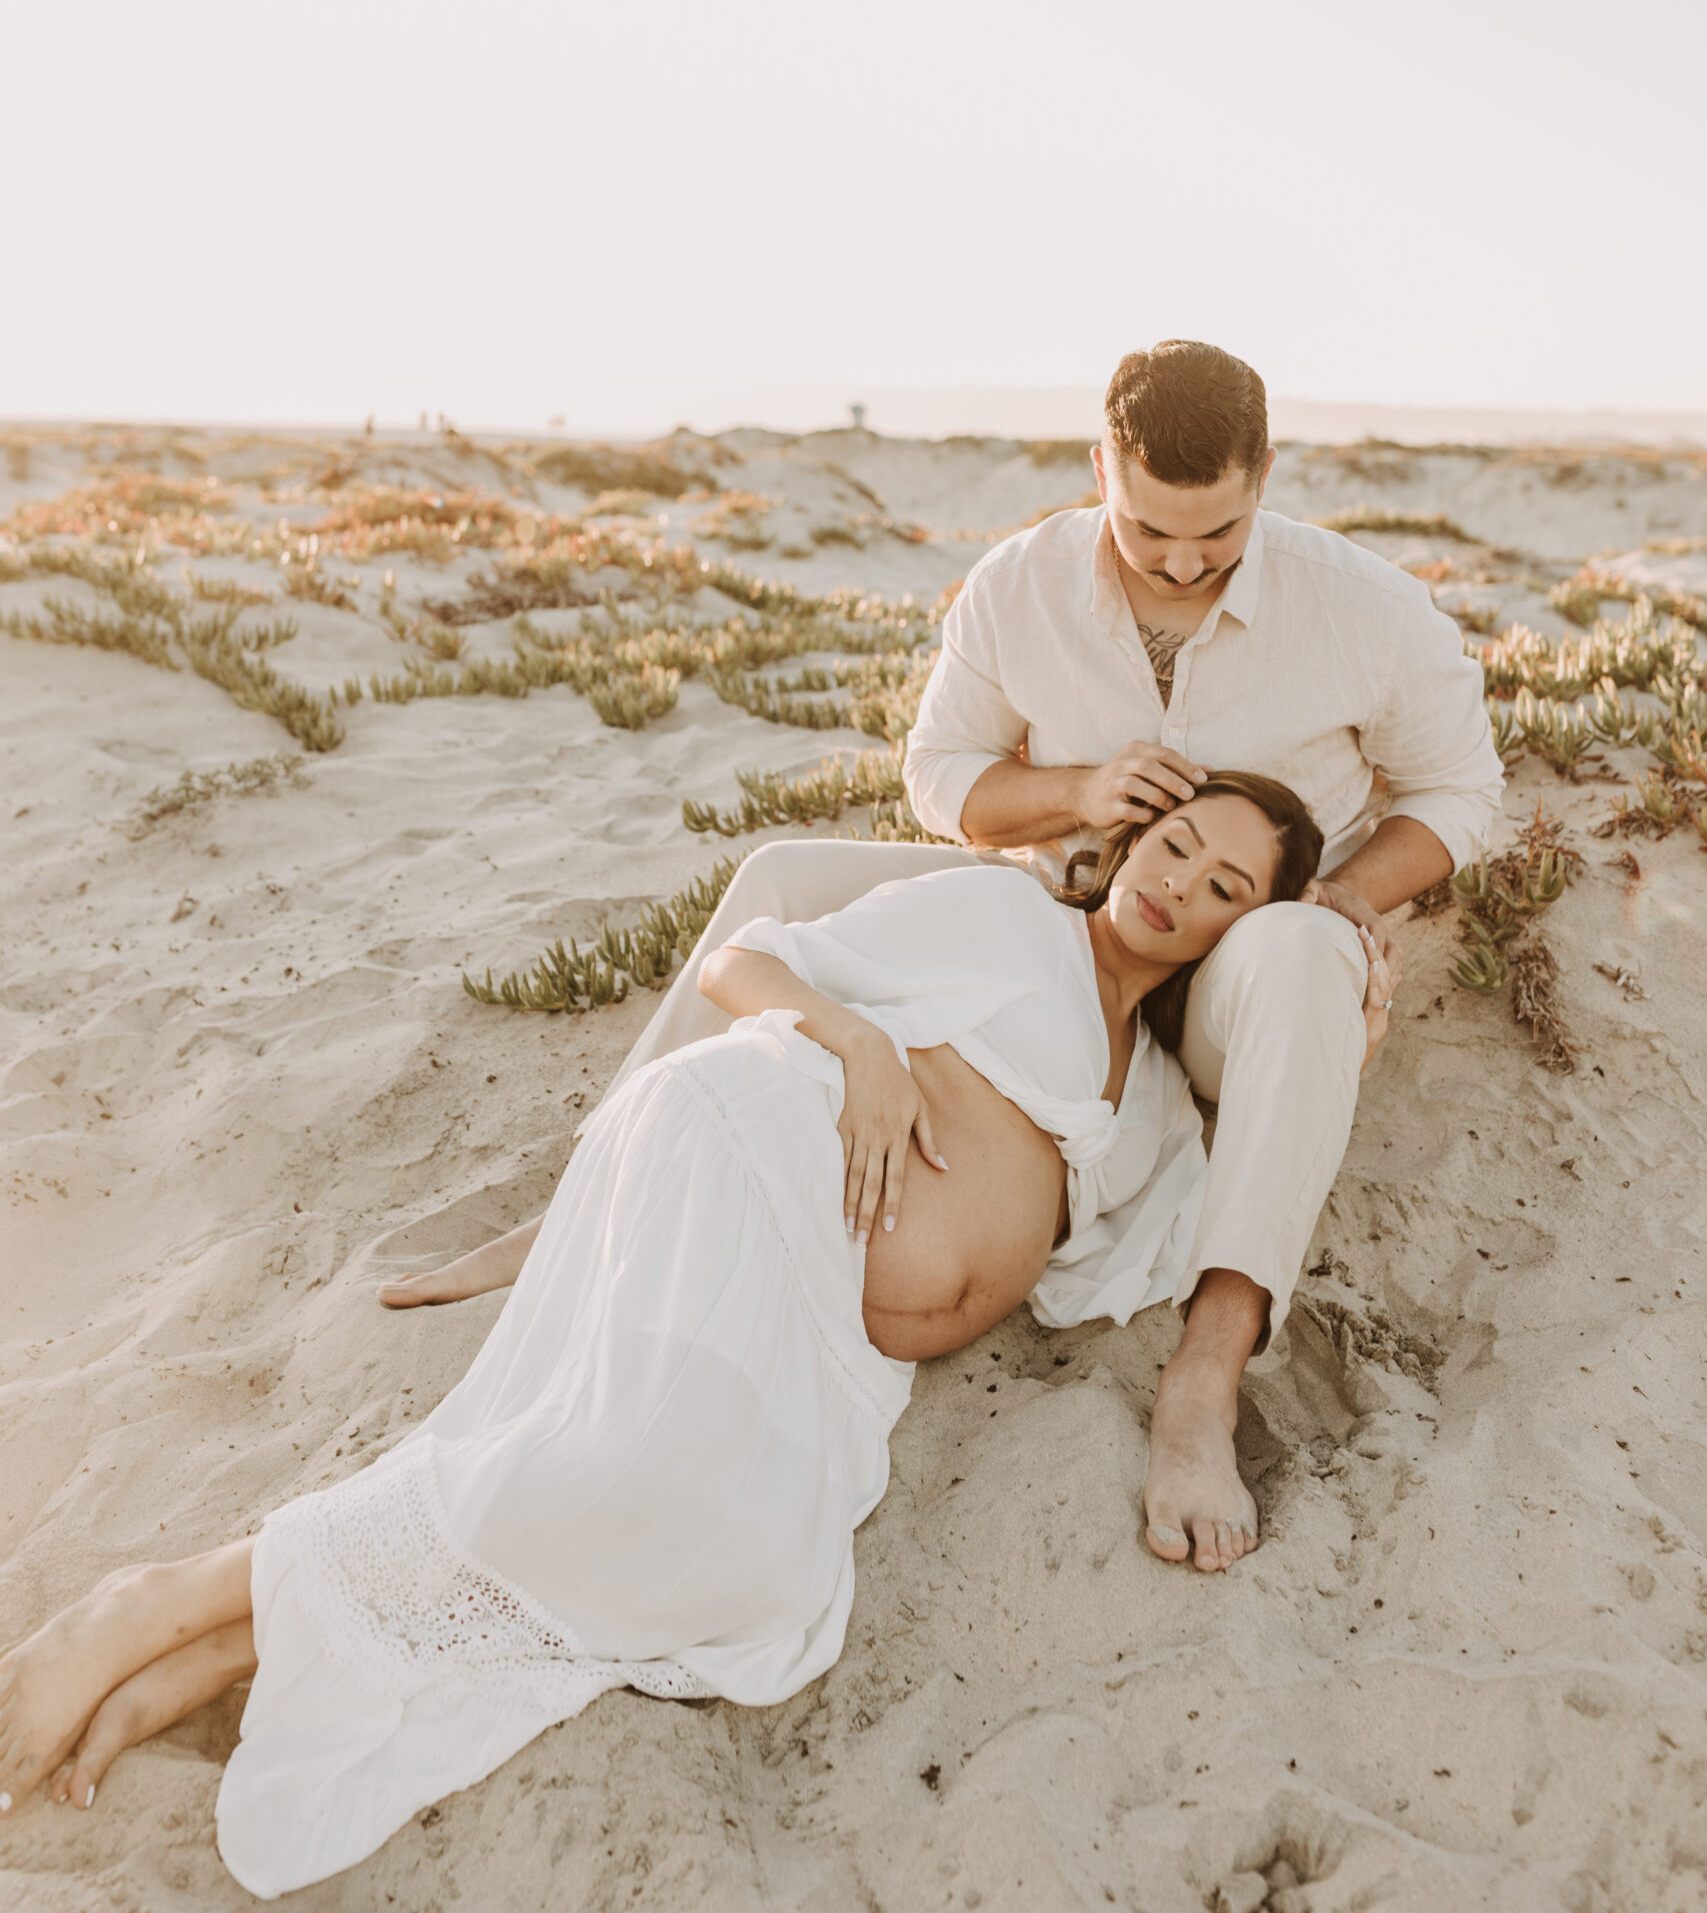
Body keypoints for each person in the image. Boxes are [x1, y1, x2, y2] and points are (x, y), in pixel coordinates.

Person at [0, 779, 1392, 1897]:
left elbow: (1162, 1229)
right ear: (1125, 834)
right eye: (1174, 842)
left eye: (1224, 888)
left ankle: (240, 1633)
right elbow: (746, 960)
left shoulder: (1149, 1097)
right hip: (745, 1142)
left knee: (729, 1565)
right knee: (623, 1485)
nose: (1178, 883)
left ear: (1235, 934)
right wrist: (852, 1045)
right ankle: (161, 1600)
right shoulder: (999, 915)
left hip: (819, 1315)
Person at [384, 341, 1502, 1566]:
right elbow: (939, 779)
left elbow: (1461, 792)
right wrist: (1079, 787)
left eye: (1221, 532)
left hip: (1238, 968)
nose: (1185, 563)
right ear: (1100, 471)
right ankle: (597, 1191)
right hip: (1068, 939)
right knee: (781, 875)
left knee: (1297, 954)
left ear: (1268, 475)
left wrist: (1334, 901)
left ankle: (1207, 1367)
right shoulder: (1018, 585)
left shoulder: (1363, 606)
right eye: (1149, 532)